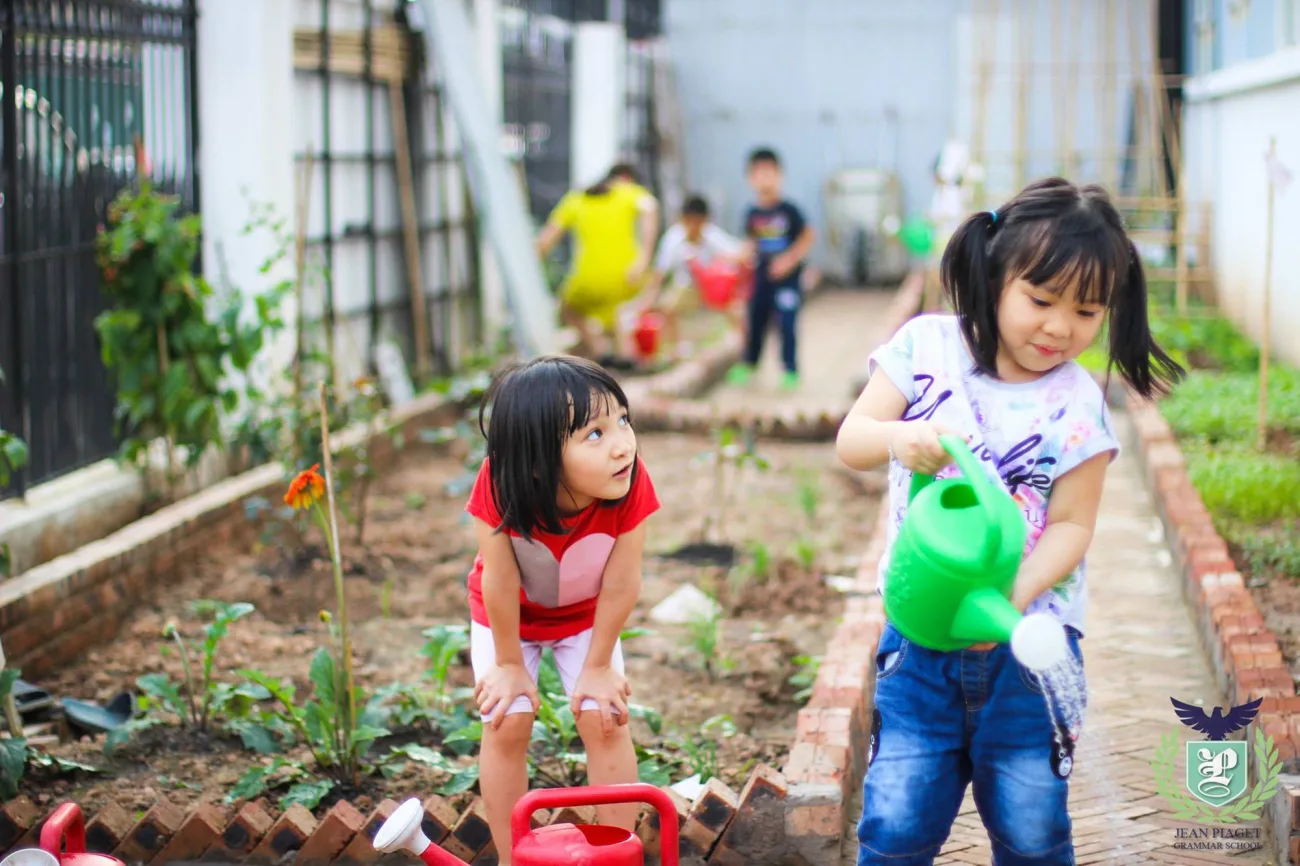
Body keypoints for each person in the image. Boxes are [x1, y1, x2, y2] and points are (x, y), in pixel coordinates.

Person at [836, 177, 1184, 865]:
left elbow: (1073, 526)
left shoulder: (1078, 402)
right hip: (919, 644)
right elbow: (852, 439)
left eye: (1087, 312)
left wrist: (1015, 600)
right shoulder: (926, 350)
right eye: (1041, 299)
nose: (1060, 328)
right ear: (997, 274)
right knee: (896, 826)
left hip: (1027, 655)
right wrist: (898, 439)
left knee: (1031, 832)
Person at [463, 354, 659, 865]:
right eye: (595, 434)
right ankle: (512, 857)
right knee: (507, 721)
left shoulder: (630, 481)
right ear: (536, 460)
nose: (623, 444)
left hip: (586, 617)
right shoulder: (501, 484)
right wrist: (508, 665)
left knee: (607, 717)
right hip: (508, 618)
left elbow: (622, 579)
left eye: (623, 420)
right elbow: (500, 577)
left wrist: (597, 668)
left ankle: (618, 852)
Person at [536, 164, 660, 367]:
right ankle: (625, 357)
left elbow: (545, 241)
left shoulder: (575, 199)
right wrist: (644, 257)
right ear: (626, 178)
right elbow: (650, 207)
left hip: (587, 279)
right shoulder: (629, 191)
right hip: (627, 276)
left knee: (568, 309)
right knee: (624, 309)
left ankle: (599, 348)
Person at [726, 147, 815, 391]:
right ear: (750, 178)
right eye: (759, 174)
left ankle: (790, 370)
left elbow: (807, 236)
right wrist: (740, 257)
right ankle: (750, 363)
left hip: (787, 280)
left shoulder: (789, 210)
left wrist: (789, 260)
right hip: (761, 278)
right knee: (755, 320)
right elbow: (751, 243)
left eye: (769, 173)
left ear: (780, 175)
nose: (764, 179)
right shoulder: (752, 213)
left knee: (787, 323)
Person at [642, 193, 747, 360]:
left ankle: (742, 349)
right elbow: (660, 273)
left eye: (698, 222)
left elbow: (738, 254)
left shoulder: (712, 235)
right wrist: (648, 299)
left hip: (712, 288)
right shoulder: (673, 239)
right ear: (682, 219)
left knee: (737, 309)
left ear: (705, 221)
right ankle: (677, 350)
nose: (694, 227)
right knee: (666, 307)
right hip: (686, 287)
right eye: (689, 222)